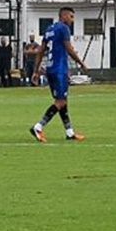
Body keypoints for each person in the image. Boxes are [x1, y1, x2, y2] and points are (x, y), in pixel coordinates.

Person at [30, 7, 89, 142]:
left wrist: (36, 71)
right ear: (64, 16)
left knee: (63, 101)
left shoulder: (49, 29)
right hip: (59, 70)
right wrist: (81, 63)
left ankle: (69, 132)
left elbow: (40, 51)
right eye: (71, 17)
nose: (73, 20)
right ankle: (38, 127)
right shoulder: (63, 28)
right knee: (60, 101)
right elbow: (69, 49)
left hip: (51, 69)